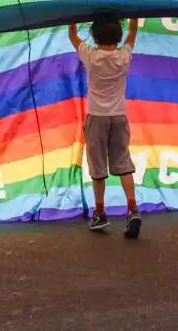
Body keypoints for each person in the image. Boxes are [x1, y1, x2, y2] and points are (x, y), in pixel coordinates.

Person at [68, 16, 141, 239]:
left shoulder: (91, 56)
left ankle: (100, 213)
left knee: (97, 166)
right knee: (123, 163)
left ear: (95, 36)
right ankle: (133, 209)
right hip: (119, 117)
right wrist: (134, 17)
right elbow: (132, 34)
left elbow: (72, 36)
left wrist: (71, 18)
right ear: (118, 36)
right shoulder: (123, 57)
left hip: (96, 118)